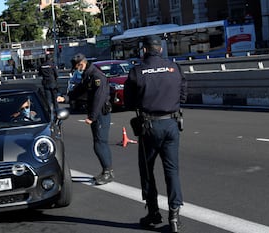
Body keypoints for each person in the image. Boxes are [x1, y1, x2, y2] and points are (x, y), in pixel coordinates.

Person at [124, 35, 187, 232]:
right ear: (160, 49)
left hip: (149, 127)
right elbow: (183, 94)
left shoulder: (137, 71)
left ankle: (153, 212)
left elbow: (129, 101)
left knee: (147, 171)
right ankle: (175, 216)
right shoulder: (174, 68)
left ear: (144, 50)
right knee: (172, 171)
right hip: (172, 123)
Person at [57, 53, 114, 185]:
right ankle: (106, 171)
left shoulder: (96, 76)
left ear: (81, 64)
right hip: (97, 114)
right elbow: (79, 91)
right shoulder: (88, 75)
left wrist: (92, 117)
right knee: (99, 143)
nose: (77, 70)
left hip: (101, 114)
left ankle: (108, 172)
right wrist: (65, 98)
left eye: (77, 67)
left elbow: (99, 98)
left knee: (100, 144)